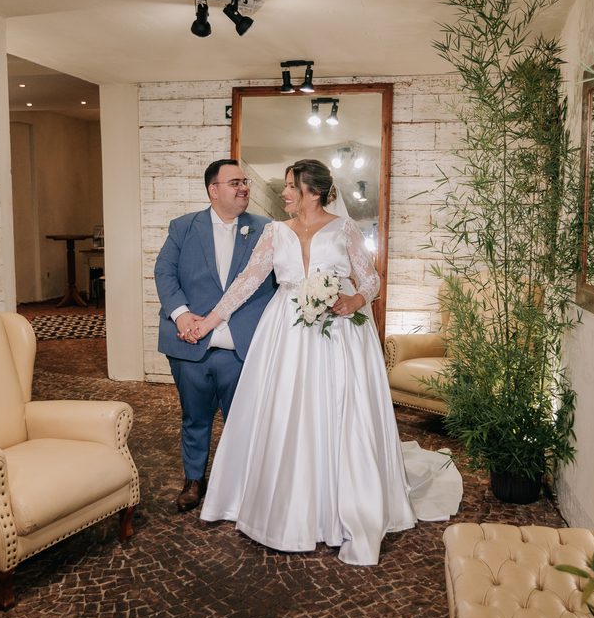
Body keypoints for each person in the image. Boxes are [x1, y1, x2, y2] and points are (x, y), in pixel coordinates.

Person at [186, 159, 461, 565]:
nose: (283, 192)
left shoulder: (344, 228)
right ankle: (285, 504)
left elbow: (371, 279)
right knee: (287, 411)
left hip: (339, 332)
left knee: (337, 410)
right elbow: (245, 283)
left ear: (312, 191)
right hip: (286, 333)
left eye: (290, 186)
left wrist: (355, 300)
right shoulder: (275, 232)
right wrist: (208, 322)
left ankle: (341, 501)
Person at [154, 159, 276, 512]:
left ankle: (240, 485)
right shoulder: (183, 227)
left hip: (244, 347)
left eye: (245, 182)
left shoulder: (266, 229)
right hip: (191, 344)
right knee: (194, 418)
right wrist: (180, 315)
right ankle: (194, 480)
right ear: (213, 190)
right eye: (235, 182)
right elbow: (164, 272)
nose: (244, 188)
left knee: (245, 422)